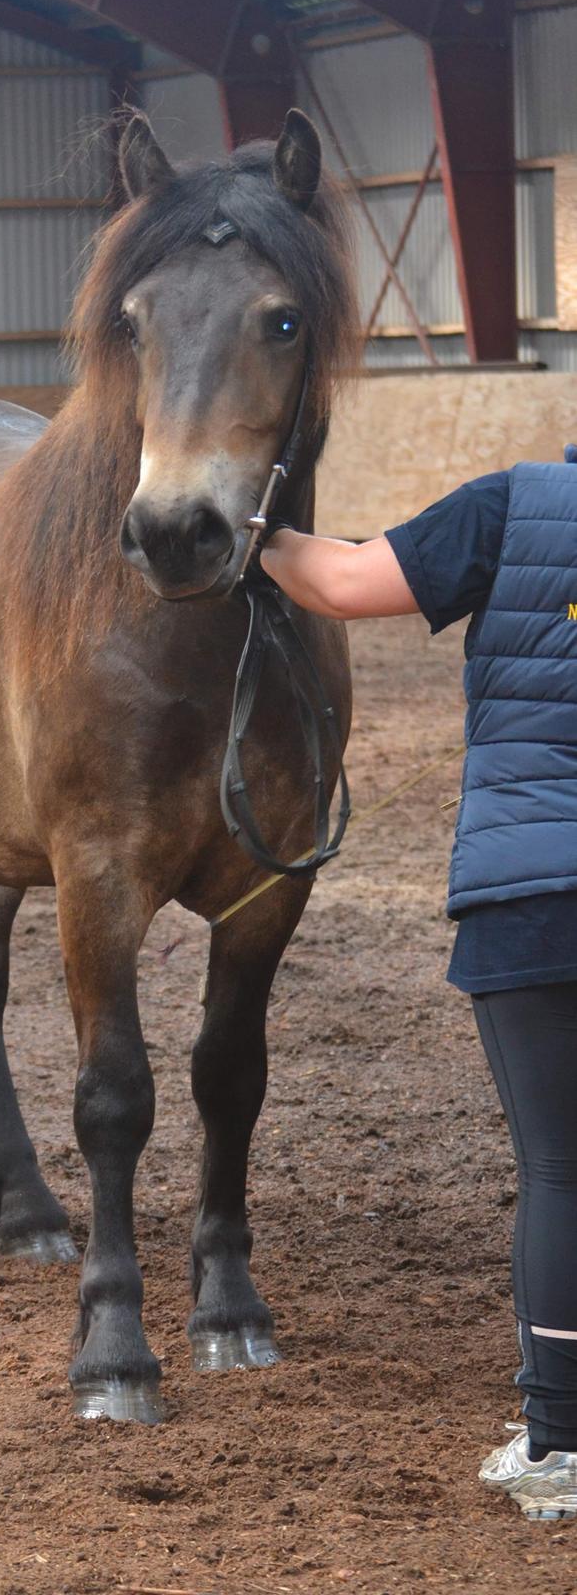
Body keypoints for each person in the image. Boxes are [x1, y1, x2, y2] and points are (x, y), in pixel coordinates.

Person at [256, 448, 577, 1522]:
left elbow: (342, 582)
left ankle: (563, 1443)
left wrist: (252, 529)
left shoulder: (516, 504)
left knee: (560, 1168)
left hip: (534, 891)